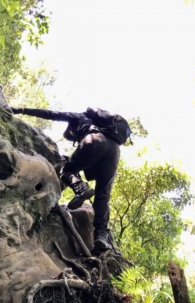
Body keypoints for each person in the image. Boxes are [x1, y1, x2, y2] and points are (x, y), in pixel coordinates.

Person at [11, 107, 121, 252]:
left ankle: (81, 188)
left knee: (67, 170)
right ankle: (101, 235)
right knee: (103, 196)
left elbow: (51, 114)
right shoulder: (104, 127)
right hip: (114, 151)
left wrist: (21, 110)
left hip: (94, 141)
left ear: (71, 130)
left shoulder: (80, 117)